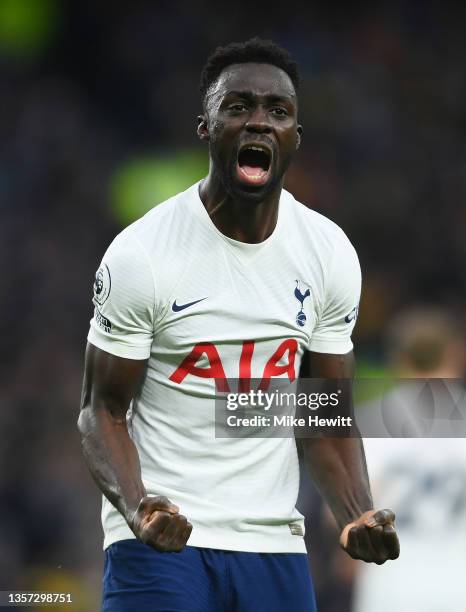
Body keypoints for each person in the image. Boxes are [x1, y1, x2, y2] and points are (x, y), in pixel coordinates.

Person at [78, 38, 399, 612]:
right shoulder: (142, 255)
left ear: (296, 137)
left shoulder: (326, 253)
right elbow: (101, 412)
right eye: (237, 107)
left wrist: (355, 513)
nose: (258, 121)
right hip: (162, 544)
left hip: (273, 546)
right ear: (205, 126)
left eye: (278, 111)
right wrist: (138, 506)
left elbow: (321, 413)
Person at [353, 308, 466, 612]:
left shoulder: (370, 420)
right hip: (459, 587)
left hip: (389, 588)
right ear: (455, 354)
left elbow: (348, 515)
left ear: (399, 359)